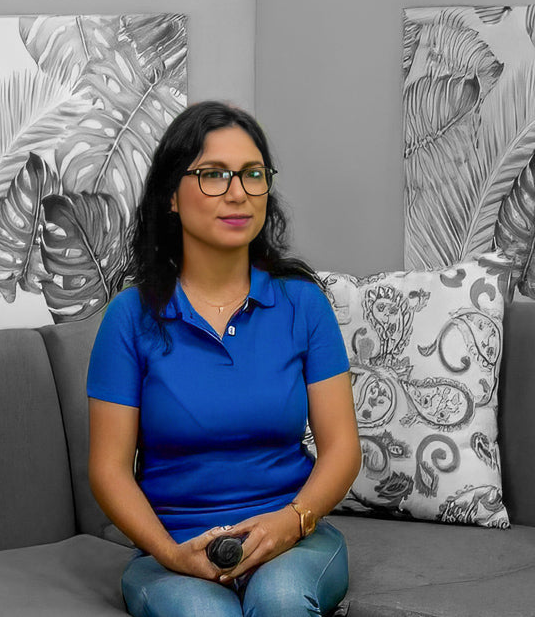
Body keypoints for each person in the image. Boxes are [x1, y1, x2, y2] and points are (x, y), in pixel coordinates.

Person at [86, 101, 361, 616]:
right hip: (174, 552)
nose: (237, 192)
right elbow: (108, 470)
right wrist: (170, 552)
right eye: (213, 175)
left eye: (252, 174)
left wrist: (291, 523)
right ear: (171, 195)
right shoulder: (129, 318)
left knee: (280, 600)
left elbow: (343, 447)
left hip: (295, 539)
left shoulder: (303, 305)